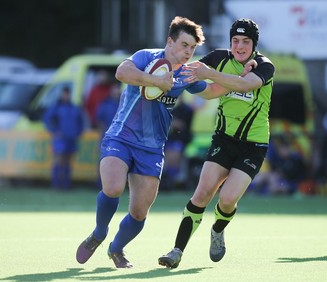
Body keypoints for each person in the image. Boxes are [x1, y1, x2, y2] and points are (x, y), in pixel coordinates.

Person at [75, 16, 255, 269]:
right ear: (170, 42)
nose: (188, 52)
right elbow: (122, 72)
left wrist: (241, 76)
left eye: (192, 48)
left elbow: (211, 91)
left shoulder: (186, 73)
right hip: (121, 137)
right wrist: (157, 81)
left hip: (152, 148)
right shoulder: (146, 56)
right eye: (184, 45)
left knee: (139, 213)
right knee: (113, 187)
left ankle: (116, 248)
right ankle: (99, 233)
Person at [158, 18, 275, 268]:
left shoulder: (265, 66)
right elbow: (205, 88)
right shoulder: (219, 57)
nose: (239, 46)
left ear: (254, 44)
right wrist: (177, 82)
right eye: (235, 40)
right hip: (223, 139)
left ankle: (218, 230)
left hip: (253, 146)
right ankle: (176, 250)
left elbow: (244, 84)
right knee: (201, 194)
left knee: (227, 199)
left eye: (245, 41)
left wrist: (208, 74)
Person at [43, 87, 85, 190]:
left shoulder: (74, 108)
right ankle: (56, 184)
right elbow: (47, 119)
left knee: (68, 161)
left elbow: (81, 121)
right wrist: (54, 131)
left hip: (71, 138)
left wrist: (78, 132)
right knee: (59, 160)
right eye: (64, 94)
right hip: (60, 139)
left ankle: (66, 184)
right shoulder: (56, 107)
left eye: (67, 94)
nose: (66, 96)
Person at [161, 95, 194, 191]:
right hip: (169, 139)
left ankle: (172, 182)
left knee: (174, 159)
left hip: (181, 140)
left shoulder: (186, 109)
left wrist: (171, 122)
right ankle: (166, 181)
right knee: (166, 160)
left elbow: (181, 125)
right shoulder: (169, 107)